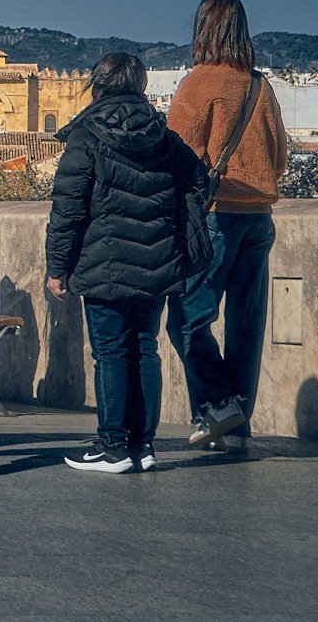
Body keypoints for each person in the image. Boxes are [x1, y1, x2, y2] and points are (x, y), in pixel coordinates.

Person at [46, 53, 206, 473]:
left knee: (112, 352)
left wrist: (57, 267)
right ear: (140, 84)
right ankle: (143, 446)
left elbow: (68, 208)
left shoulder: (87, 135)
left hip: (103, 263)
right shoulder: (163, 134)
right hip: (158, 263)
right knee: (144, 348)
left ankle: (112, 446)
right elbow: (198, 180)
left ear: (97, 84)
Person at [165, 0, 289, 456]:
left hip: (215, 219)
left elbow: (177, 156)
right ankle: (235, 426)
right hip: (259, 219)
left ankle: (217, 404)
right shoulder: (262, 86)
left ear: (202, 30)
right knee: (245, 325)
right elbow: (278, 160)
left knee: (186, 320)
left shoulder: (199, 84)